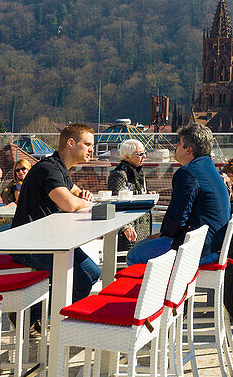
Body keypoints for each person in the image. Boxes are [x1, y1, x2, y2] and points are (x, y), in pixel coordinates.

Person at [11, 123, 100, 304]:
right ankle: (53, 322)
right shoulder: (48, 169)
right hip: (28, 244)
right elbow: (68, 204)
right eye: (88, 144)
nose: (92, 149)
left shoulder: (60, 169)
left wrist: (82, 194)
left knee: (93, 273)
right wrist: (84, 202)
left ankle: (38, 313)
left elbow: (74, 191)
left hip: (50, 241)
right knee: (81, 282)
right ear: (70, 143)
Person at [126, 123, 231, 266]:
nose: (175, 146)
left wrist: (164, 234)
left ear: (189, 150)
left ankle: (158, 289)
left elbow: (178, 218)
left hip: (197, 250)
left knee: (134, 255)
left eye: (179, 143)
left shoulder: (188, 173)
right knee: (147, 243)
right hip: (214, 246)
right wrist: (164, 233)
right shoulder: (209, 168)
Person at [106, 138, 150, 249]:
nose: (144, 156)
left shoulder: (138, 171)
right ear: (127, 157)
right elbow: (114, 203)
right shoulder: (119, 174)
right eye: (140, 154)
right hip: (130, 231)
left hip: (140, 227)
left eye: (144, 153)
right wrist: (125, 227)